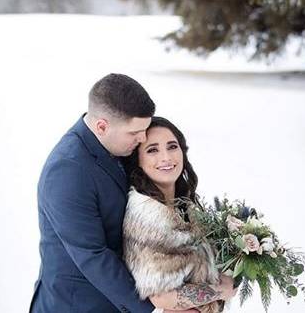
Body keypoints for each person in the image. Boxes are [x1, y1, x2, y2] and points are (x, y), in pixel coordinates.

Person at [30, 74, 197, 313]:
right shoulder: (67, 169)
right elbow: (92, 254)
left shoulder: (114, 144)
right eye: (135, 133)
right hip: (77, 305)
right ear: (102, 126)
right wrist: (154, 308)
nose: (142, 138)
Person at [122, 117, 237, 313]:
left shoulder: (184, 207)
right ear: (138, 161)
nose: (166, 157)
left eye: (172, 147)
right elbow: (161, 297)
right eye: (152, 150)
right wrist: (220, 291)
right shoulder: (148, 217)